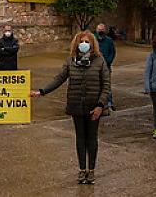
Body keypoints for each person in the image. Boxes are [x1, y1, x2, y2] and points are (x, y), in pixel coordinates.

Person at [31, 31, 110, 185]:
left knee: (92, 138)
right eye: (82, 41)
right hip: (76, 106)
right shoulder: (70, 61)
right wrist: (41, 91)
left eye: (87, 42)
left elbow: (106, 85)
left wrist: (100, 105)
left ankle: (91, 170)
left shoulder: (100, 61)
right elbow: (59, 79)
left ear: (92, 44)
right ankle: (82, 170)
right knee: (80, 138)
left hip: (94, 107)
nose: (84, 44)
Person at [96, 23, 116, 110]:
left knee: (107, 85)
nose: (100, 31)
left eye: (102, 29)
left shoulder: (109, 40)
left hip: (106, 67)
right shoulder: (93, 39)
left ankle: (109, 103)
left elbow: (113, 52)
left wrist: (108, 61)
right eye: (99, 29)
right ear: (96, 30)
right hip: (95, 67)